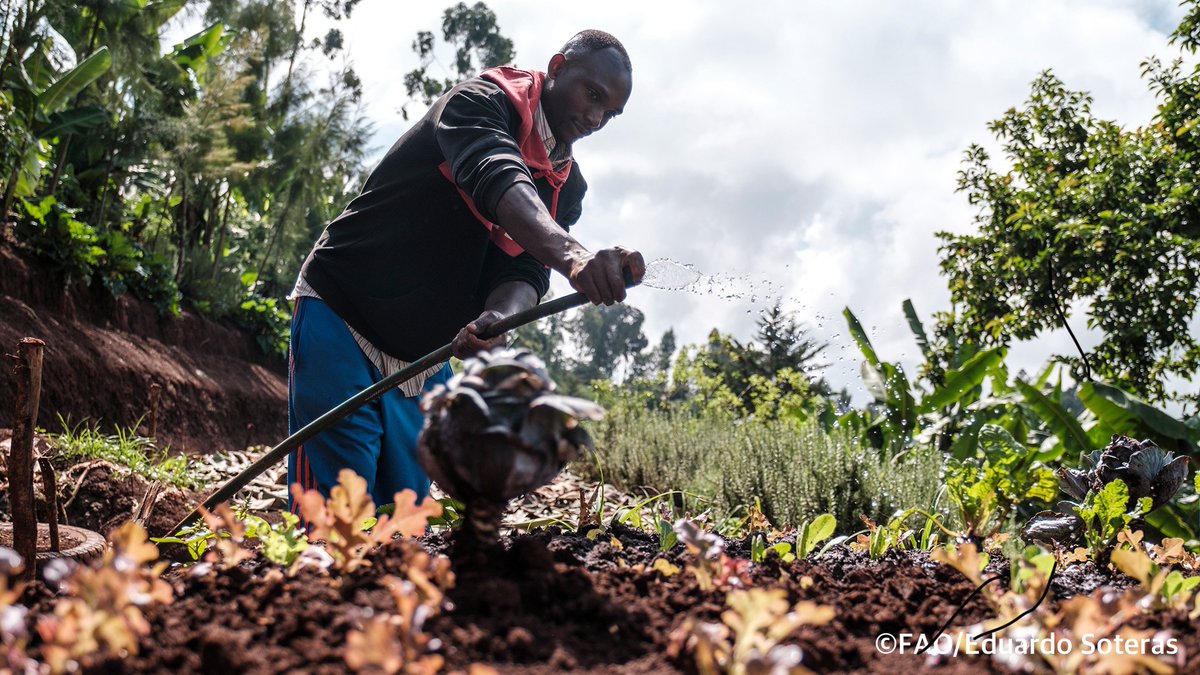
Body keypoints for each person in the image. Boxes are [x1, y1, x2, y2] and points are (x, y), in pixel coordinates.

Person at [287, 29, 645, 510]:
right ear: (557, 68)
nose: (595, 117)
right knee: (336, 517)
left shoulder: (567, 187)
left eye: (611, 113)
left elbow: (523, 272)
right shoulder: (480, 103)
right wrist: (575, 257)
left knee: (403, 517)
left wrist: (500, 316)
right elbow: (497, 177)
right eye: (592, 94)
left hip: (425, 358)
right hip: (345, 313)